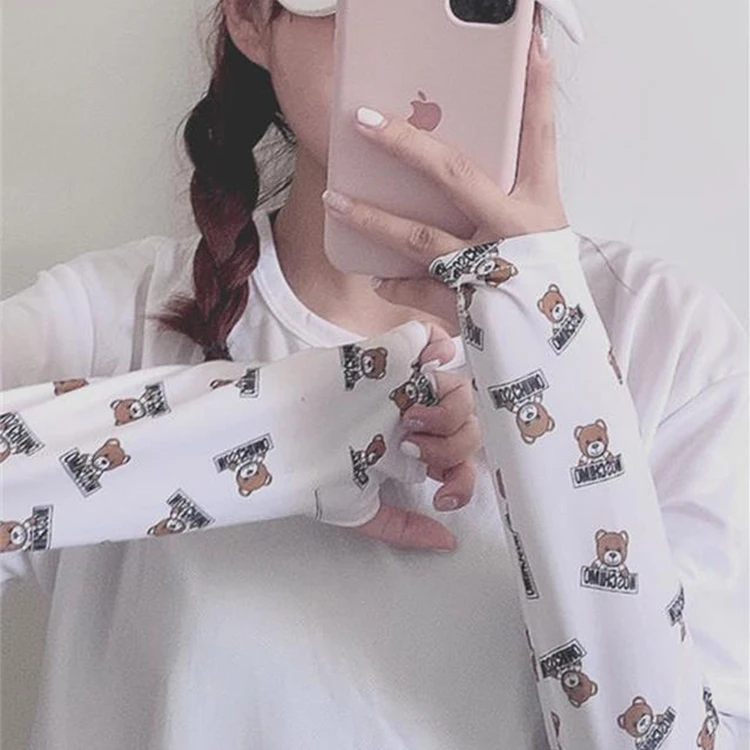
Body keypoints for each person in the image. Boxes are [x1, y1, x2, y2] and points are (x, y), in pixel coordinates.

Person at [1, 1, 747, 748]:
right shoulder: (108, 322)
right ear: (251, 19)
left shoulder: (663, 338)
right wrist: (284, 425)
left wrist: (546, 354)